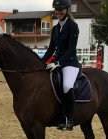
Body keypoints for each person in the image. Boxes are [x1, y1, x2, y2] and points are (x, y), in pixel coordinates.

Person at [42, 0, 80, 131]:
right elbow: (51, 49)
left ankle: (69, 119)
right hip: (56, 63)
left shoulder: (73, 26)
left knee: (66, 85)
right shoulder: (56, 28)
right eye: (56, 10)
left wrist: (58, 63)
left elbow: (71, 50)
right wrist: (41, 61)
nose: (58, 12)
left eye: (61, 9)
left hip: (70, 63)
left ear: (67, 9)